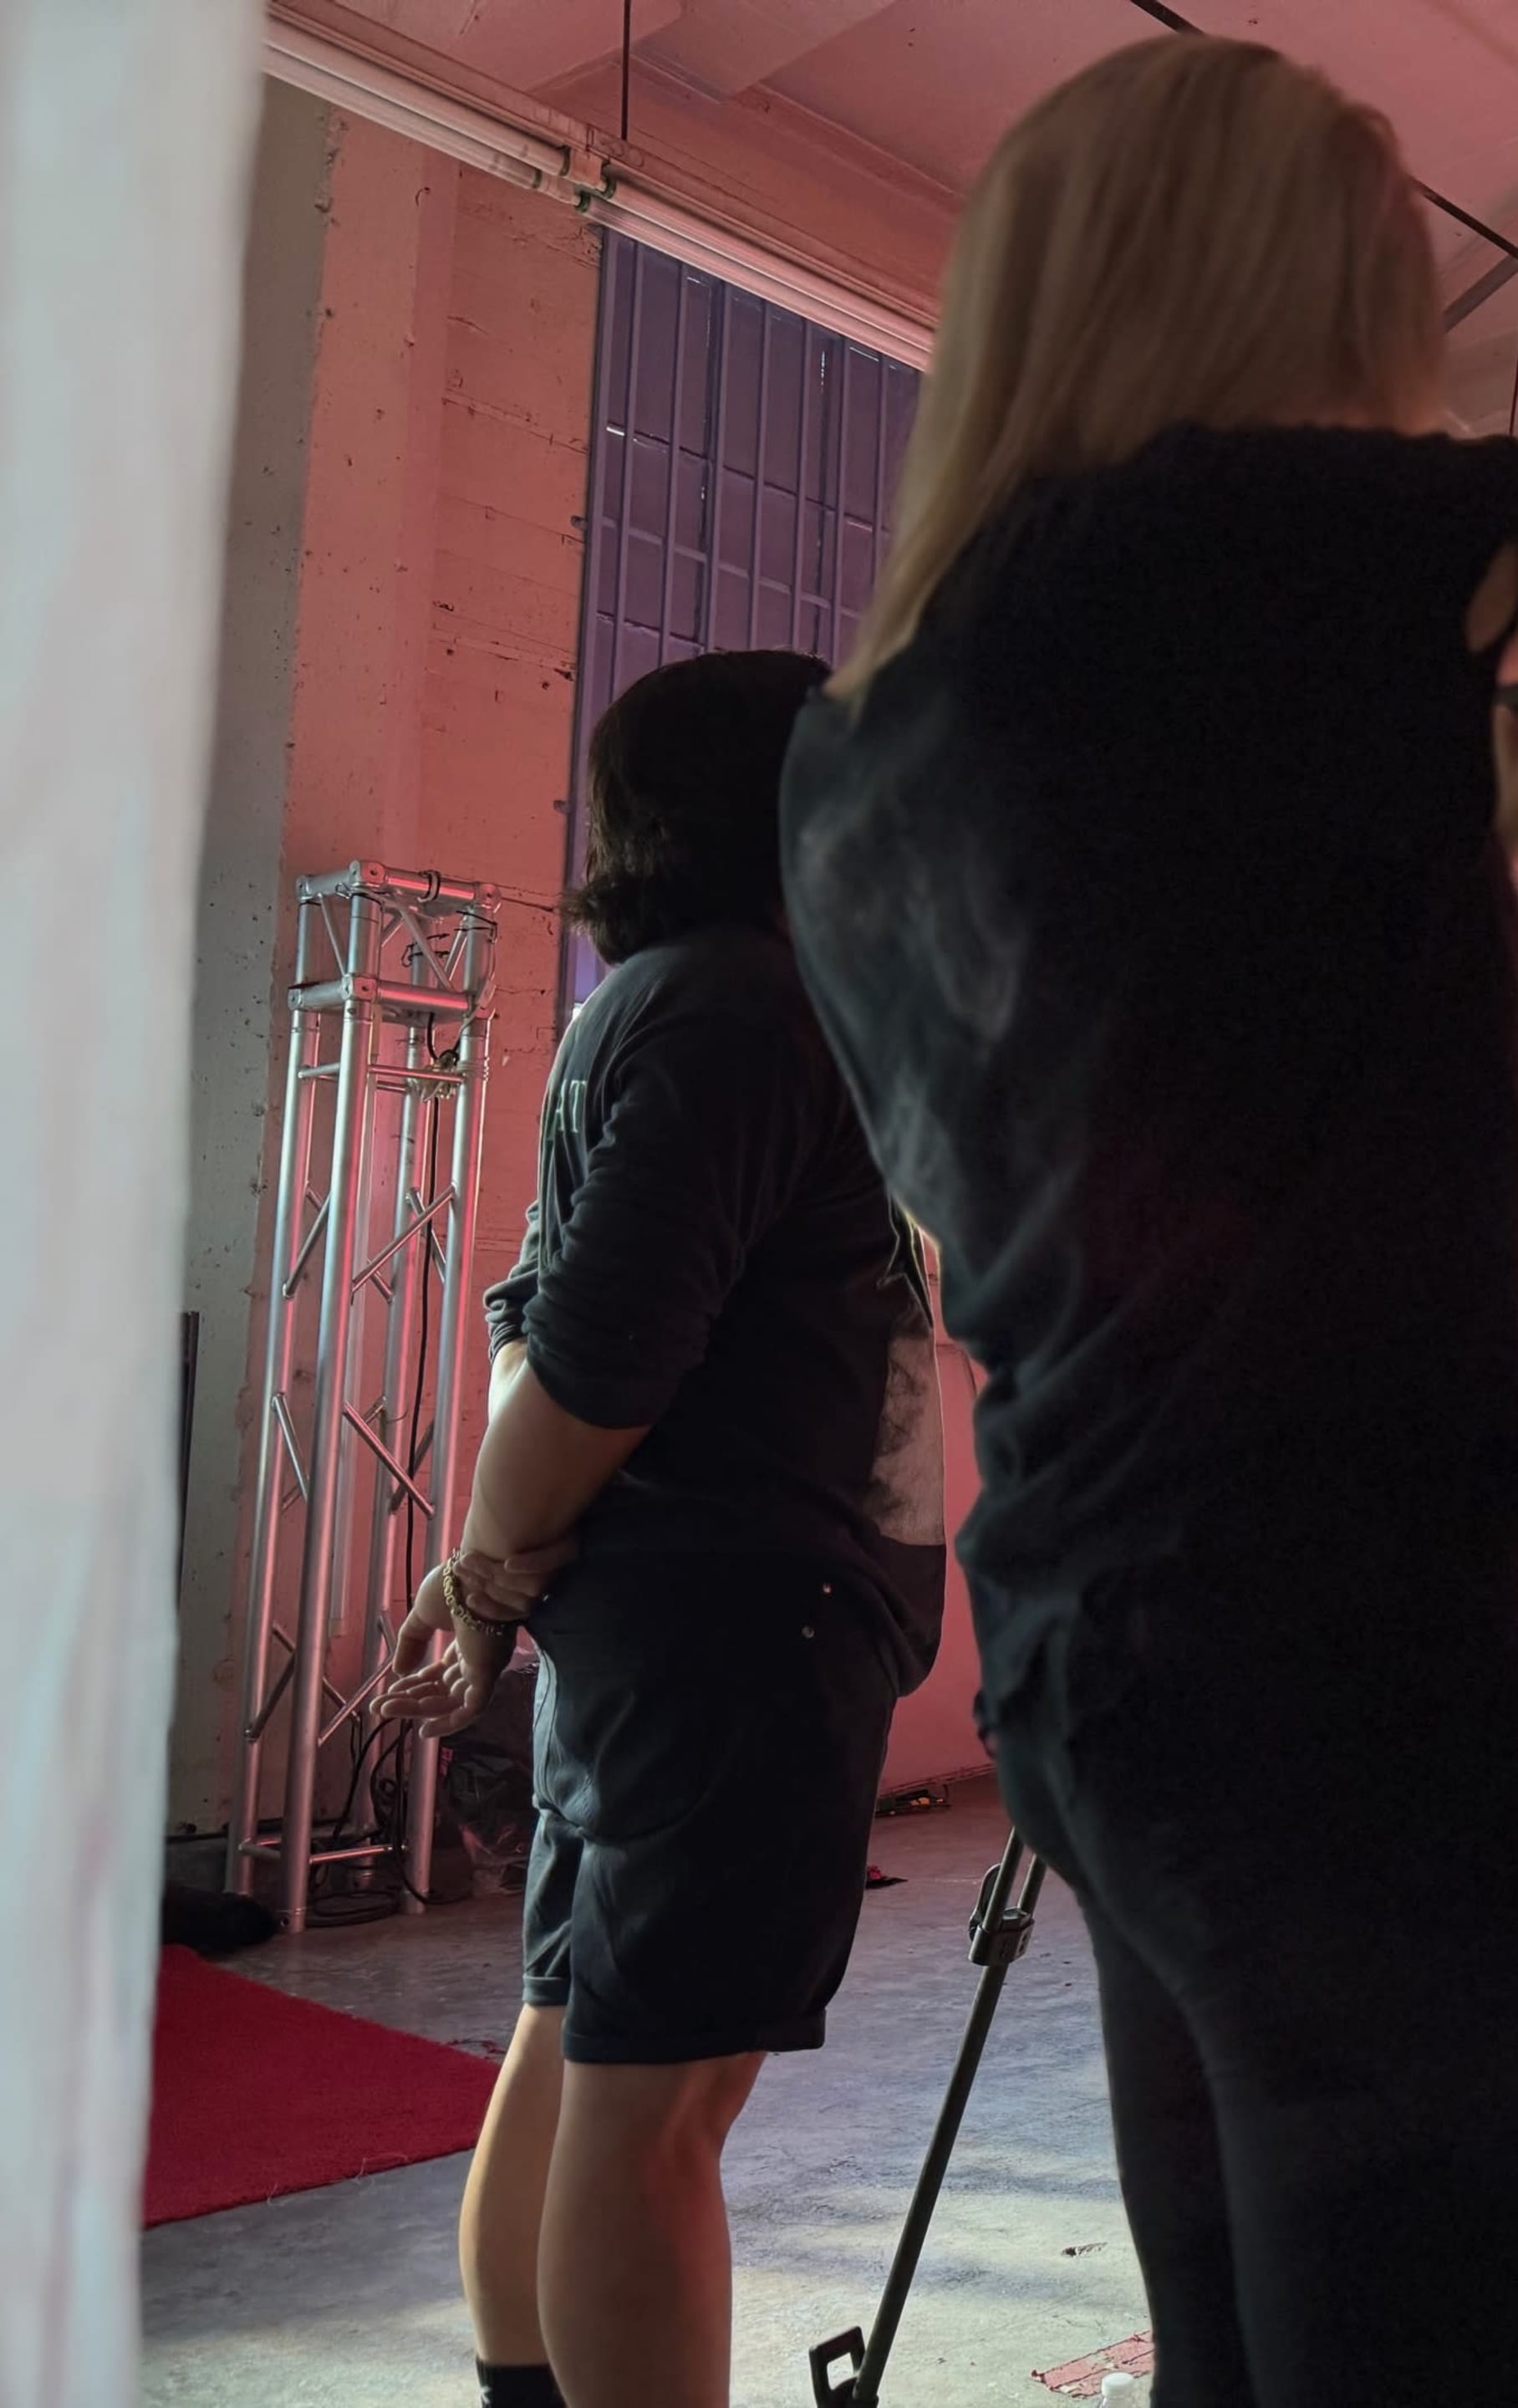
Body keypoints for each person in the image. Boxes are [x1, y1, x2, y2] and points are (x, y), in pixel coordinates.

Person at [775, 36, 1518, 2408]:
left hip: (1095, 1640)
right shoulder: (1230, 539)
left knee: (1257, 2349)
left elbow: (1066, 1117)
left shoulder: (862, 745)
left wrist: (1440, 781)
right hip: (1359, 1645)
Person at [386, 649, 945, 2408]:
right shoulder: (737, 1014)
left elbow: (539, 1318)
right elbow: (592, 1361)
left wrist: (498, 1574)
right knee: (658, 2112)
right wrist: (485, 1574)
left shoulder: (676, 1004)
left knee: (585, 2050)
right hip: (729, 1639)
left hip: (676, 1634)